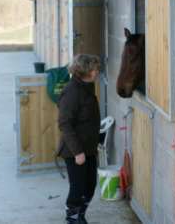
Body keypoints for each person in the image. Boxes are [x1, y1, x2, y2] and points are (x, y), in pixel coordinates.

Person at [57, 54, 101, 224]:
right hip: (75, 151)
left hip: (89, 148)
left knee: (90, 186)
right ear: (86, 71)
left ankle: (80, 215)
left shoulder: (87, 87)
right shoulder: (72, 91)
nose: (97, 72)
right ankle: (73, 219)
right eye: (95, 69)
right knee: (77, 188)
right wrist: (78, 152)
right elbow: (65, 124)